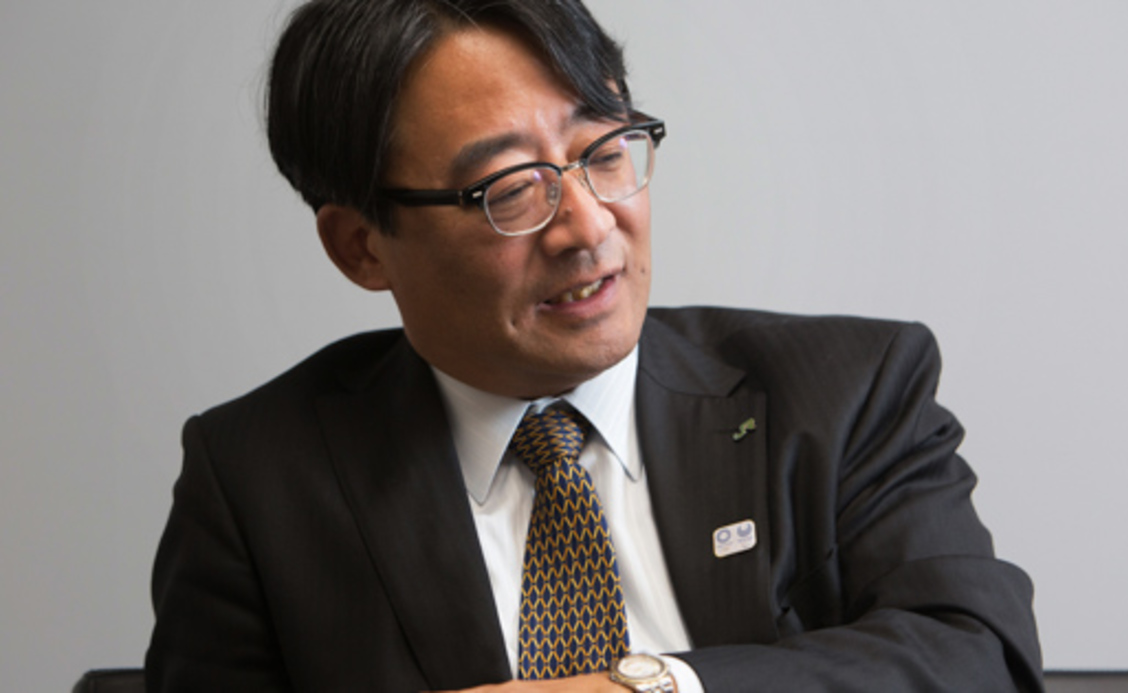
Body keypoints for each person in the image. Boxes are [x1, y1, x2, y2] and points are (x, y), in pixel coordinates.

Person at [145, 0, 1044, 691]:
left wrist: (647, 687)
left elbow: (977, 655)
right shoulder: (260, 479)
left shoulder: (843, 393)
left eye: (606, 151)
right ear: (361, 247)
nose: (588, 226)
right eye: (509, 188)